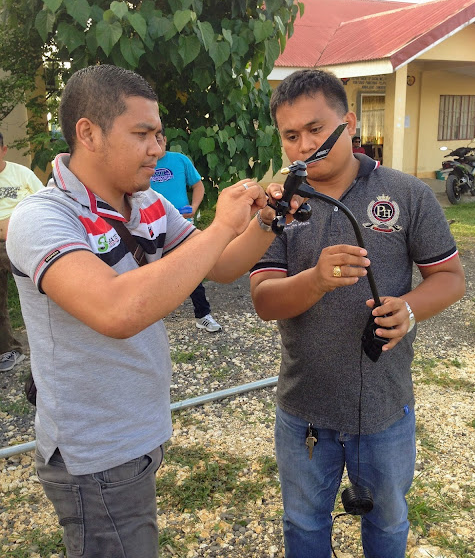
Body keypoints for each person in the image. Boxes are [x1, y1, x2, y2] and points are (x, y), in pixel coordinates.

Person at [6, 65, 281, 558]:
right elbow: (117, 311)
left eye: (159, 134)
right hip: (95, 447)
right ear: (88, 133)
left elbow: (218, 267)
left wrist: (267, 222)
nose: (158, 147)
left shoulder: (147, 201)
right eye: (142, 134)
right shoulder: (43, 217)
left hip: (135, 427)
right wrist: (220, 227)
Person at [250, 69, 465, 558]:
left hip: (386, 407)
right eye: (291, 135)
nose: (305, 144)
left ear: (349, 123)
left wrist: (409, 308)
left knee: (388, 524)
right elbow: (264, 301)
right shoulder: (279, 206)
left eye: (317, 129)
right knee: (303, 525)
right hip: (303, 410)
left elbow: (451, 278)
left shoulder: (406, 193)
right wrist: (316, 280)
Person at [151, 128, 221, 332]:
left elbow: (198, 185)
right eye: (150, 140)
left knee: (192, 269)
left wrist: (195, 207)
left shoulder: (180, 160)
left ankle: (203, 315)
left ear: (165, 140)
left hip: (180, 225)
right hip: (151, 226)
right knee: (149, 271)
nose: (155, 145)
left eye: (158, 140)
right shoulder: (144, 162)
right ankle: (150, 321)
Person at [0, 132, 43, 372]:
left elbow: (42, 202)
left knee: (43, 291)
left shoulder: (21, 174)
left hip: (21, 239)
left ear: (4, 150)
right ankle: (7, 350)